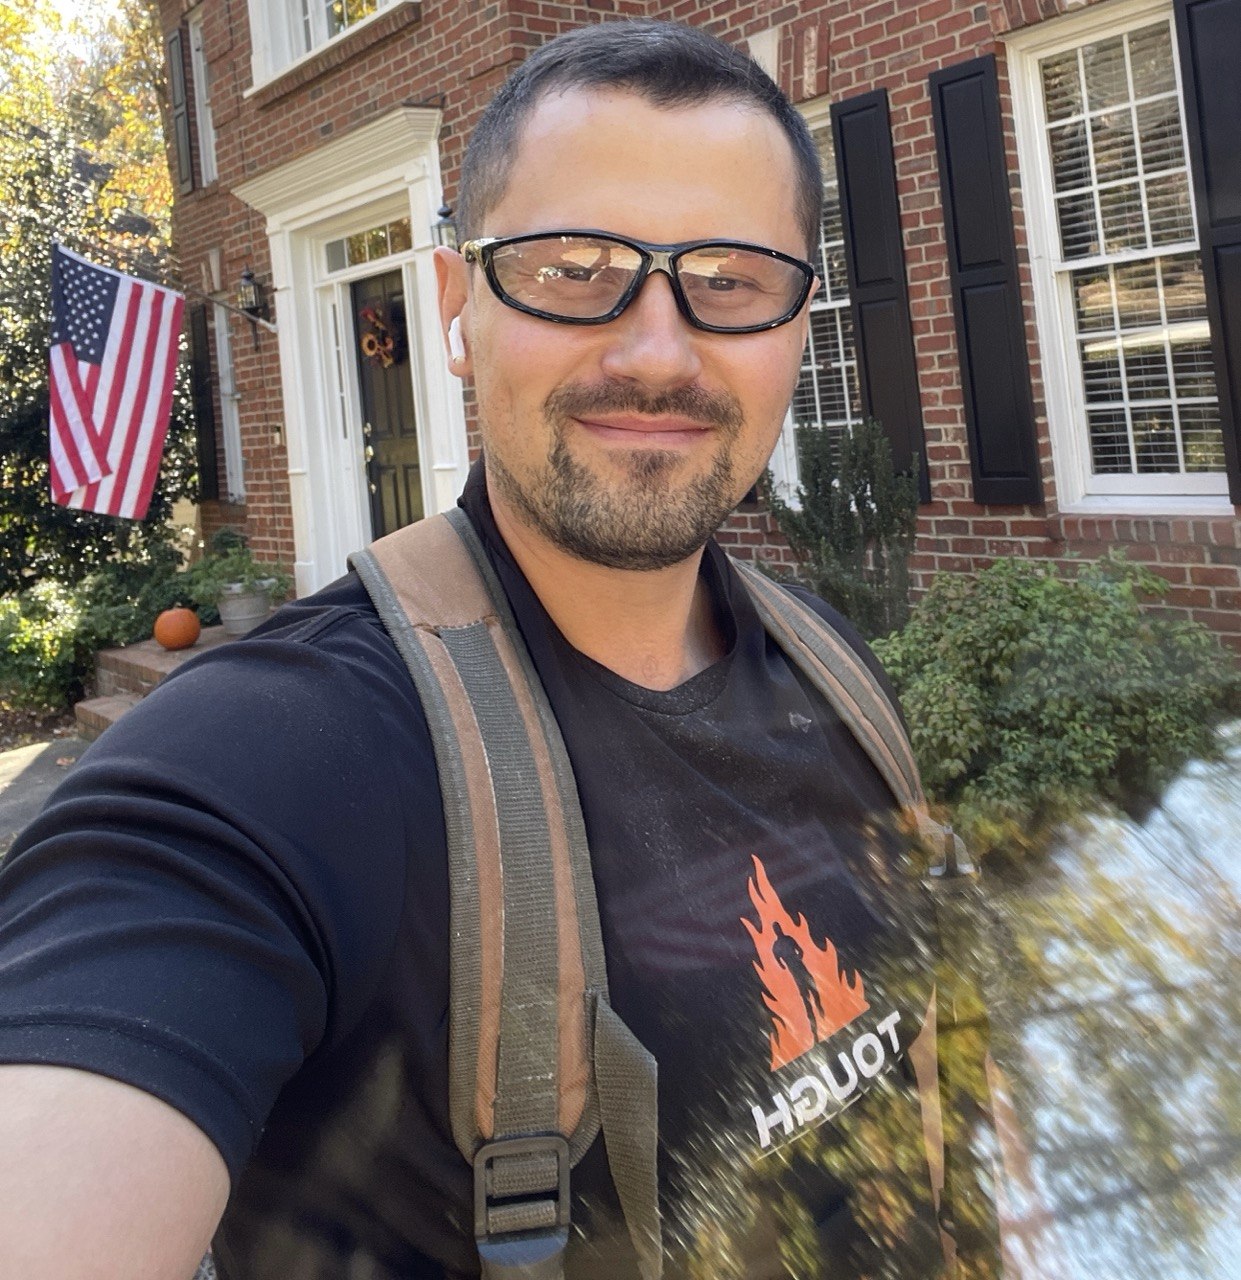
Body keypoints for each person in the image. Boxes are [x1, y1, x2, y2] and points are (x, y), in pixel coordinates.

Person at [0, 21, 944, 1279]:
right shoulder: (268, 765)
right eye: (568, 266)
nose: (657, 349)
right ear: (454, 308)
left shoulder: (835, 669)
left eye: (727, 277)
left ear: (797, 325)